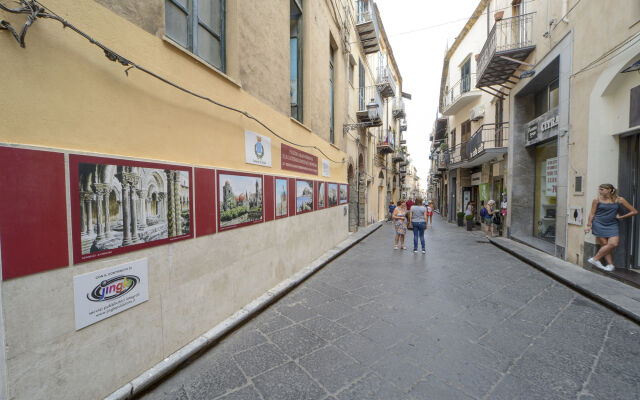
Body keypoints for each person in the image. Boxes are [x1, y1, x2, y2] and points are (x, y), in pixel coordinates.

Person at [585, 183, 638, 271]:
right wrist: (588, 225)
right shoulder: (596, 200)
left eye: (602, 189)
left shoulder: (619, 200)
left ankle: (595, 259)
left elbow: (634, 211)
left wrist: (621, 217)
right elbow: (592, 213)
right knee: (605, 245)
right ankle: (610, 265)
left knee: (613, 244)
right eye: (599, 189)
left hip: (612, 224)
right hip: (598, 224)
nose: (599, 191)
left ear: (609, 190)